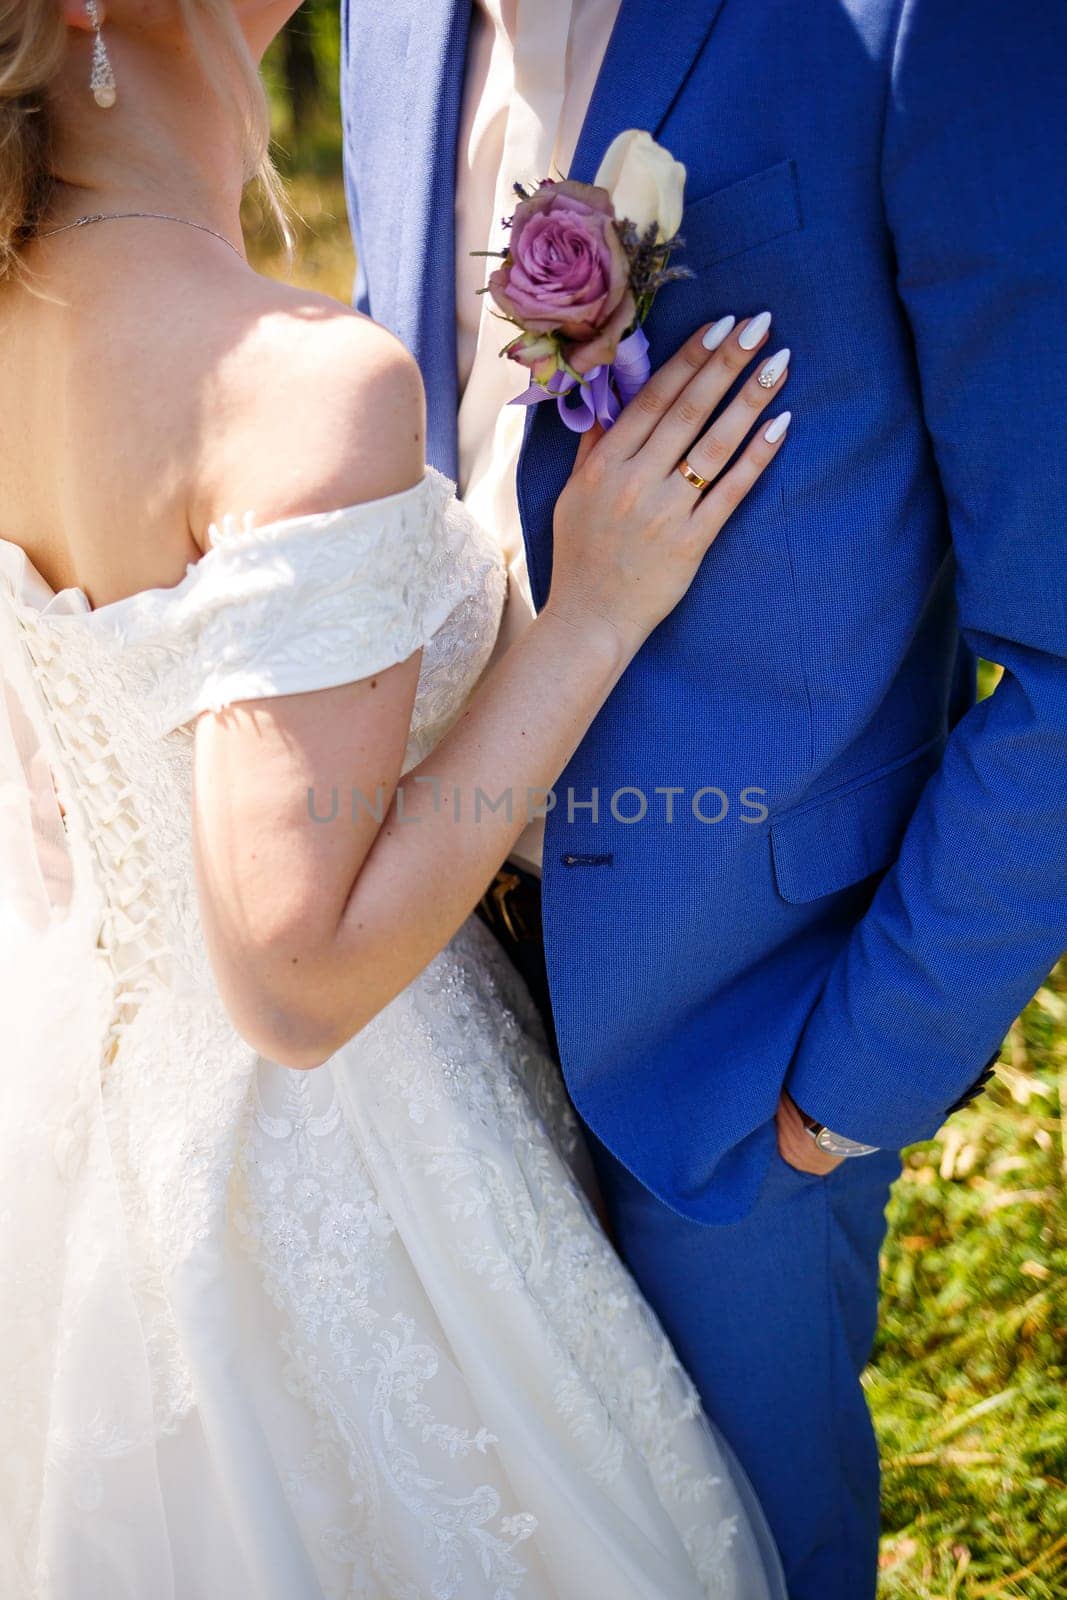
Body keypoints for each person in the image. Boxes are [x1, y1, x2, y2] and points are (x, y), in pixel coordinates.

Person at [0, 2, 793, 1595]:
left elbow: (57, 816)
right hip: (355, 1177)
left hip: (99, 1148)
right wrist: (592, 614)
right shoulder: (300, 392)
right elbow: (294, 979)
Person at [339, 1, 1067, 1595]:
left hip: (742, 1049)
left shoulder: (927, 23)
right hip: (412, 999)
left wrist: (850, 1083)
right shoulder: (390, 24)